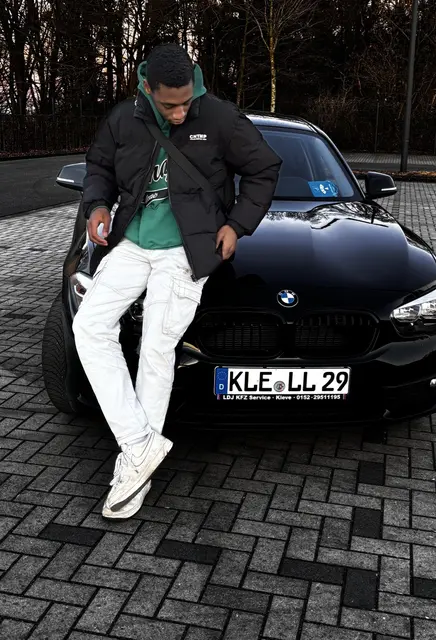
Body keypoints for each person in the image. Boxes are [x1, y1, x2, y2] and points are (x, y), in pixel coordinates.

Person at [72, 43, 282, 520]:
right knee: (89, 327)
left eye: (188, 100)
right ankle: (139, 445)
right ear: (148, 89)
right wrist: (98, 205)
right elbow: (99, 166)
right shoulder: (124, 118)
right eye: (171, 105)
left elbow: (264, 168)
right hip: (131, 243)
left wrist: (237, 225)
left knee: (155, 347)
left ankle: (134, 471)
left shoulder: (220, 117)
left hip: (186, 250)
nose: (181, 112)